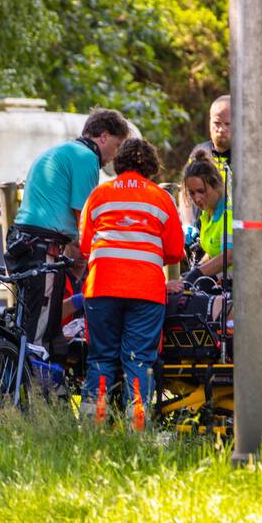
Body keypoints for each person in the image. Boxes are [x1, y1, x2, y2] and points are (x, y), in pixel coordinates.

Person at [5, 108, 129, 359]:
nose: (115, 155)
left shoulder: (63, 151)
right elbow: (84, 218)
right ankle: (29, 380)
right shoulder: (86, 158)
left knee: (38, 322)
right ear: (104, 137)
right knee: (38, 329)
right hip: (42, 245)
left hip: (24, 242)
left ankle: (20, 374)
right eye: (117, 146)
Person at [78, 138, 184, 427]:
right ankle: (137, 428)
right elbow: (175, 251)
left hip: (102, 287)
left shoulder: (99, 195)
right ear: (151, 165)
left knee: (101, 358)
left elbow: (85, 245)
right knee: (138, 360)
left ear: (119, 162)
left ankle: (92, 427)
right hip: (145, 291)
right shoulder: (161, 198)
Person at [166, 150, 233, 293]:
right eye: (192, 193)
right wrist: (193, 272)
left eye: (201, 191)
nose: (197, 198)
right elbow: (213, 253)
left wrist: (196, 274)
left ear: (217, 186)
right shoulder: (206, 214)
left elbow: (228, 256)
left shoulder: (229, 214)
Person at [180, 95, 233, 228]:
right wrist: (187, 223)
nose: (221, 129)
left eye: (227, 124)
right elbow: (185, 191)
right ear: (209, 122)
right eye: (217, 123)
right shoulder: (200, 153)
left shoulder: (246, 157)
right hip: (203, 230)